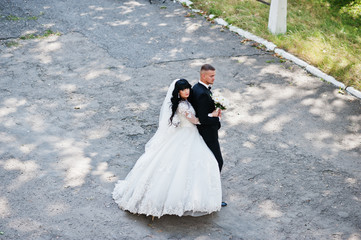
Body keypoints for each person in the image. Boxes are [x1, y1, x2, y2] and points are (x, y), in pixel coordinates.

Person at [112, 79, 222, 218]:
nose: (187, 91)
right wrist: (212, 116)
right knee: (185, 164)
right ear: (178, 92)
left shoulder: (186, 102)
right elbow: (195, 121)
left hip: (188, 133)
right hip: (187, 134)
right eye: (183, 90)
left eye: (187, 88)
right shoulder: (182, 105)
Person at [191, 64, 227, 207]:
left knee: (207, 162)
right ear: (203, 76)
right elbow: (204, 119)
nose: (214, 78)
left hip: (203, 133)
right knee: (217, 162)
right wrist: (216, 118)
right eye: (211, 76)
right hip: (207, 134)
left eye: (214, 75)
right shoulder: (201, 93)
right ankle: (211, 196)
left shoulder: (197, 88)